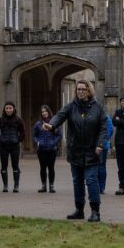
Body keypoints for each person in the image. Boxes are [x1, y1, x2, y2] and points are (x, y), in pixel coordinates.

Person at [45, 80, 108, 222]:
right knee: (77, 181)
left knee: (91, 180)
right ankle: (79, 210)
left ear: (89, 91)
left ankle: (95, 211)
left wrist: (100, 144)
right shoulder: (71, 106)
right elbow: (59, 116)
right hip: (75, 151)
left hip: (92, 151)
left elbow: (104, 128)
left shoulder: (98, 108)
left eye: (83, 89)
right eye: (78, 89)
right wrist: (51, 125)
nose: (80, 92)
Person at [0, 101, 26, 192]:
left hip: (14, 146)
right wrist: (0, 140)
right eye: (7, 108)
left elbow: (23, 132)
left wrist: (18, 140)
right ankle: (5, 186)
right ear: (4, 109)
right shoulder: (0, 120)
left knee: (15, 166)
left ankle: (16, 186)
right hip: (3, 146)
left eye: (10, 108)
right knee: (4, 166)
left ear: (13, 109)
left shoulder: (18, 120)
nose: (8, 110)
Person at [33, 105, 60, 193]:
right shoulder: (38, 124)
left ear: (49, 112)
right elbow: (34, 136)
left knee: (51, 167)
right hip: (41, 150)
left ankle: (51, 186)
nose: (44, 113)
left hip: (52, 149)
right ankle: (43, 186)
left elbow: (59, 135)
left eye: (45, 111)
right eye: (42, 112)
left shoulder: (54, 123)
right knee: (43, 168)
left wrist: (54, 142)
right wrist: (38, 142)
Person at [99, 114, 113, 194]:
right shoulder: (105, 116)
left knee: (100, 166)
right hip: (95, 145)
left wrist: (102, 141)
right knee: (97, 166)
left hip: (102, 146)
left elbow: (110, 130)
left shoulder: (105, 116)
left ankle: (101, 187)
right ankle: (98, 186)